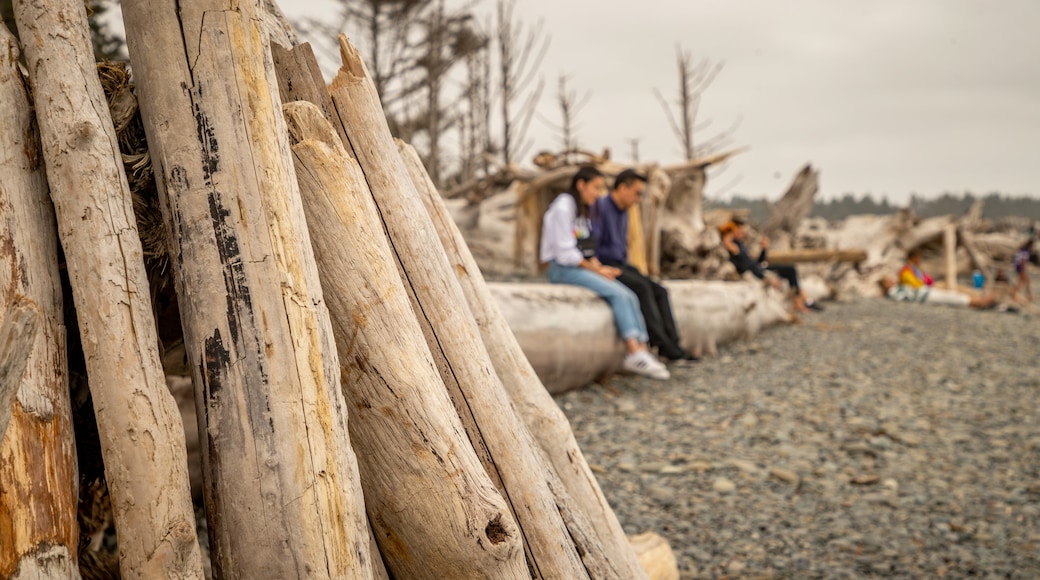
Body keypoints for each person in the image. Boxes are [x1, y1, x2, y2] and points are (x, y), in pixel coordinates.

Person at [540, 166, 670, 380]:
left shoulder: (581, 209)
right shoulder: (564, 208)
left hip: (577, 265)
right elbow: (565, 254)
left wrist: (600, 268)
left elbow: (585, 248)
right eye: (596, 188)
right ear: (581, 185)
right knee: (618, 294)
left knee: (629, 293)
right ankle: (632, 351)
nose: (598, 194)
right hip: (560, 269)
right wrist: (595, 270)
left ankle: (643, 348)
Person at [591, 169, 697, 363]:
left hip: (620, 262)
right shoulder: (600, 208)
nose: (639, 199)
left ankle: (674, 344)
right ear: (623, 188)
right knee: (642, 288)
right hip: (604, 264)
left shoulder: (624, 212)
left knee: (660, 290)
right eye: (637, 193)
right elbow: (592, 244)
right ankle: (662, 345)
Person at [719, 219, 821, 313]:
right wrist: (765, 277)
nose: (742, 233)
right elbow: (748, 266)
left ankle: (802, 301)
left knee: (790, 270)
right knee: (790, 271)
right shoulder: (732, 246)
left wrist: (764, 249)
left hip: (758, 269)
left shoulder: (739, 245)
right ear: (730, 234)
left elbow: (757, 263)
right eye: (738, 231)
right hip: (753, 272)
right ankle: (803, 302)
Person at [1012, 239, 1033, 303]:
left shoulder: (1022, 249)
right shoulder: (1025, 250)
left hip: (1017, 267)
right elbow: (1023, 261)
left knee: (1024, 281)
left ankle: (1028, 295)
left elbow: (1016, 259)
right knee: (1022, 282)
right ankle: (1015, 295)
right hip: (1020, 268)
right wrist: (1023, 270)